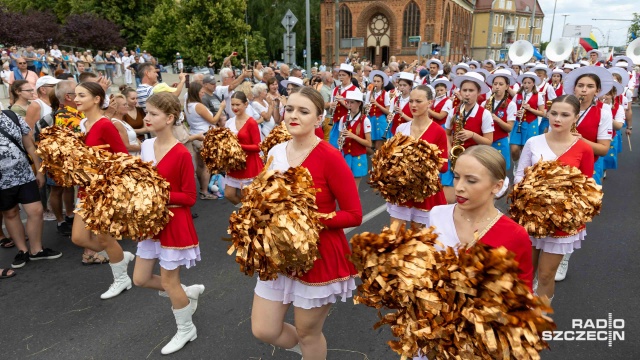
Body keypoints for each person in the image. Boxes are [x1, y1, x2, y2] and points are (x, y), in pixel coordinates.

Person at [251, 87, 363, 360]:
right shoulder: (275, 151)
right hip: (278, 254)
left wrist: (309, 220)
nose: (293, 115)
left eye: (303, 111)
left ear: (318, 118)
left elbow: (354, 213)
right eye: (290, 109)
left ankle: (311, 352)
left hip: (318, 254)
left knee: (308, 332)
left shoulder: (330, 156)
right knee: (264, 329)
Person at [131, 92, 204, 355]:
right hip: (151, 222)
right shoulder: (147, 146)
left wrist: (157, 193)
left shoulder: (182, 153)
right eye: (146, 112)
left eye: (153, 114)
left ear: (170, 118)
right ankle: (186, 293)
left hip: (174, 221)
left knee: (169, 282)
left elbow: (190, 197)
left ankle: (186, 329)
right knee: (139, 279)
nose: (146, 118)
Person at [514, 95, 594, 303]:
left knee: (546, 274)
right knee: (524, 272)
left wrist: (566, 207)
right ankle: (521, 314)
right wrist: (528, 195)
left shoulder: (584, 148)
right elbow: (519, 175)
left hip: (561, 222)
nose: (557, 119)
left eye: (565, 115)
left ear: (575, 117)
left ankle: (540, 319)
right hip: (531, 217)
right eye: (554, 113)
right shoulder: (534, 142)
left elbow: (587, 186)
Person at [69, 82, 134, 300]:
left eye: (81, 95)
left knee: (104, 239)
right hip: (85, 189)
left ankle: (121, 278)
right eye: (75, 95)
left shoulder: (105, 125)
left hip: (102, 190)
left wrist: (97, 158)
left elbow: (123, 156)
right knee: (78, 238)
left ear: (96, 99)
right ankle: (119, 256)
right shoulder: (83, 123)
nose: (76, 99)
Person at [554, 66, 614, 282]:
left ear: (597, 90)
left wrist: (576, 139)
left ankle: (564, 258)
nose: (584, 90)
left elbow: (604, 148)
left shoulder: (603, 112)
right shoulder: (565, 106)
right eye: (580, 85)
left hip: (588, 167)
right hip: (559, 165)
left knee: (574, 214)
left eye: (590, 86)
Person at [386, 85, 448, 232]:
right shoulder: (401, 129)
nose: (413, 105)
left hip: (425, 191)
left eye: (418, 101)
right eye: (411, 101)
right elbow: (391, 159)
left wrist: (419, 166)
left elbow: (443, 166)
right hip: (402, 189)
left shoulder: (438, 131)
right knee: (394, 237)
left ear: (430, 103)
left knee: (418, 242)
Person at [442, 72, 494, 203]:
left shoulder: (484, 114)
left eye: (471, 90)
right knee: (448, 198)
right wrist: (448, 149)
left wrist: (472, 135)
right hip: (454, 159)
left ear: (478, 93)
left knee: (469, 199)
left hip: (474, 160)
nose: (467, 94)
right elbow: (447, 133)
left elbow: (489, 141)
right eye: (464, 90)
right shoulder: (453, 111)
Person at [184, 82, 226, 200]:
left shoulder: (187, 105)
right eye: (201, 92)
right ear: (197, 93)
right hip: (204, 136)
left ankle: (202, 188)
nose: (203, 94)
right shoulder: (198, 105)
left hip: (195, 134)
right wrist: (221, 108)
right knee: (207, 166)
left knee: (200, 165)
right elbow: (213, 120)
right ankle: (204, 191)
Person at [224, 92, 263, 205]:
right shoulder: (229, 122)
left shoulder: (251, 123)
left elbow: (258, 146)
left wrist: (238, 146)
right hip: (234, 165)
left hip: (249, 164)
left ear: (246, 104)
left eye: (238, 105)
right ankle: (244, 213)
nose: (235, 108)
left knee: (247, 198)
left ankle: (248, 217)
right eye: (232, 105)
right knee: (229, 194)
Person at [510, 72, 545, 173]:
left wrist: (530, 109)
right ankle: (516, 165)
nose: (526, 85)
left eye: (529, 83)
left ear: (533, 84)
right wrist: (517, 113)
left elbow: (542, 113)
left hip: (531, 124)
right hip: (518, 123)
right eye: (525, 83)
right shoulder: (518, 95)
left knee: (528, 150)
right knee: (514, 149)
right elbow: (511, 109)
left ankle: (525, 169)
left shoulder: (538, 96)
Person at [337, 89, 372, 188]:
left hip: (358, 157)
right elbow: (340, 138)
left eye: (352, 102)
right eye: (347, 102)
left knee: (354, 188)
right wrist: (340, 140)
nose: (349, 104)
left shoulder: (365, 120)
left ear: (359, 103)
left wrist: (353, 136)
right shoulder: (343, 119)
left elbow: (369, 144)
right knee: (345, 186)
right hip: (346, 156)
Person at [483, 69, 517, 170]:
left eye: (501, 84)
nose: (497, 86)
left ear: (507, 87)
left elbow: (509, 128)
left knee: (500, 172)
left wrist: (496, 119)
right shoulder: (484, 103)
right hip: (485, 142)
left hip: (500, 142)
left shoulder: (511, 104)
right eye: (495, 84)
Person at [328, 64, 357, 148]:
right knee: (333, 147)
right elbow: (330, 111)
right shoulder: (335, 89)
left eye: (344, 75)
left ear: (350, 76)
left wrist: (342, 101)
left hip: (349, 123)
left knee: (346, 148)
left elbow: (355, 110)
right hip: (337, 123)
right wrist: (332, 107)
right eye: (340, 75)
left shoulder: (355, 90)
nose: (341, 77)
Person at [365, 70, 391, 151]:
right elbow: (365, 108)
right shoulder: (369, 93)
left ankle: (378, 161)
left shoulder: (385, 94)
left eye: (378, 81)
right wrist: (367, 108)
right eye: (374, 81)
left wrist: (377, 104)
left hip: (380, 120)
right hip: (370, 119)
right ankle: (372, 158)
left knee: (378, 146)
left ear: (382, 82)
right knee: (368, 145)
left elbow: (388, 111)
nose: (376, 83)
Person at [387, 72, 415, 138]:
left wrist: (402, 114)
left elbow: (416, 121)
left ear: (410, 86)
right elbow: (390, 114)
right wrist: (389, 118)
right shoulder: (395, 99)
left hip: (408, 133)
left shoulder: (414, 100)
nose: (402, 87)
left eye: (404, 85)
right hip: (394, 131)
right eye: (400, 85)